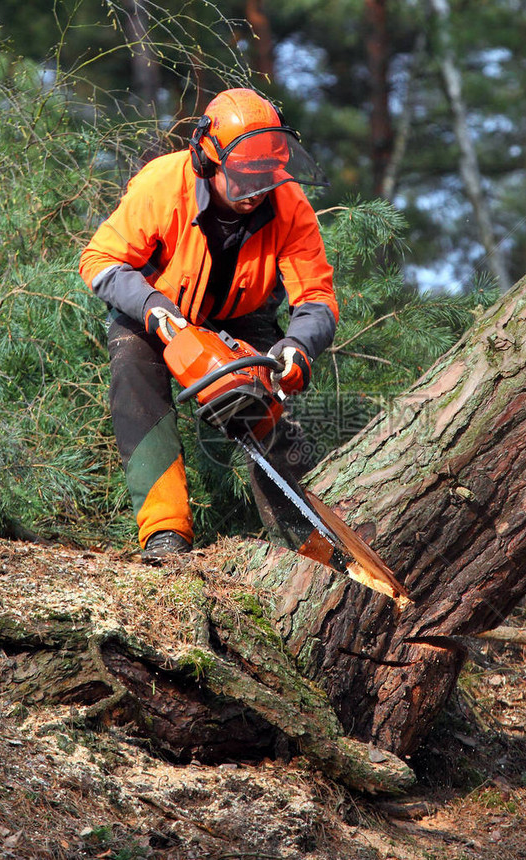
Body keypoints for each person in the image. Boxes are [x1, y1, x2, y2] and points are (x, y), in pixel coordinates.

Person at [79, 88, 338, 563]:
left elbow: (317, 297)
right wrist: (153, 306)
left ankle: (312, 544)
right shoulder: (163, 184)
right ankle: (165, 535)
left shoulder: (289, 204)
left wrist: (297, 346)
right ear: (208, 161)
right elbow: (99, 260)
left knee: (266, 411)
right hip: (158, 310)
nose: (254, 192)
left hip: (245, 316)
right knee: (134, 369)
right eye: (243, 179)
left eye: (265, 178)